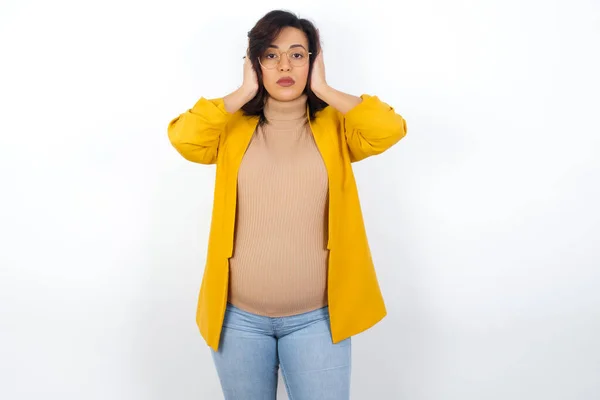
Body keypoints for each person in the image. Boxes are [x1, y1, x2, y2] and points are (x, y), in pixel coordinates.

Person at [167, 9, 407, 400]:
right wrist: (244, 92)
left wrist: (325, 90)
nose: (284, 65)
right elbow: (183, 139)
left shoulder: (336, 125)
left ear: (314, 61)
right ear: (254, 63)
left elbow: (389, 128)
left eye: (298, 54)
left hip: (318, 321)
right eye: (271, 54)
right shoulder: (230, 126)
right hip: (237, 321)